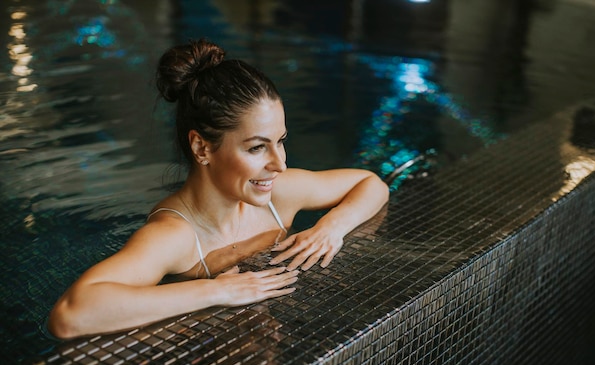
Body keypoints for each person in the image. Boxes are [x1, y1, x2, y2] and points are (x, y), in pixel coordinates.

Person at [48, 39, 389, 339]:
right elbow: (71, 315)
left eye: (280, 142)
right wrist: (214, 290)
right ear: (202, 148)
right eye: (257, 148)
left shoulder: (277, 196)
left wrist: (331, 228)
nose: (279, 164)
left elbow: (370, 184)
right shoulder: (176, 236)